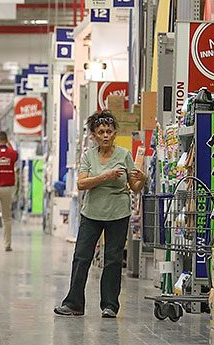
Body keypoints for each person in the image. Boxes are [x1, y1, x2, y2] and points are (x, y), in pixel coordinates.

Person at [54, 110, 146, 319]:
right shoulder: (89, 156)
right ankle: (73, 303)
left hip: (118, 213)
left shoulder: (124, 155)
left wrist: (144, 178)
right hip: (92, 213)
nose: (105, 135)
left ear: (114, 133)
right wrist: (106, 176)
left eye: (109, 131)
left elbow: (134, 186)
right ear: (94, 135)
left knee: (112, 260)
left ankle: (110, 306)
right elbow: (81, 183)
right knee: (81, 257)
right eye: (101, 132)